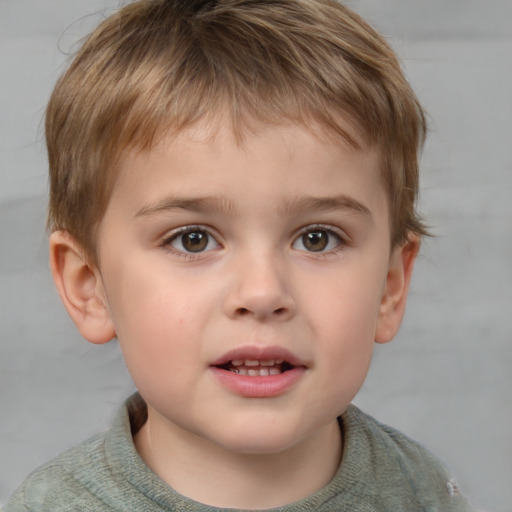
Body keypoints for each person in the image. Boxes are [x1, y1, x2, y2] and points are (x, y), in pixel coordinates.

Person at [4, 0, 479, 510]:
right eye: (193, 239)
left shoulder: (423, 492)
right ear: (89, 286)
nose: (262, 293)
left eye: (318, 238)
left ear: (389, 286)